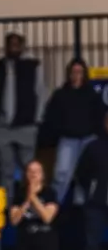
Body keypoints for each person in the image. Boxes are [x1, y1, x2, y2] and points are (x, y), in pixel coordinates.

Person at [0, 33, 47, 185]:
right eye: (10, 44)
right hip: (1, 126)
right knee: (6, 168)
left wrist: (37, 119)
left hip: (26, 124)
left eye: (16, 44)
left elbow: (40, 92)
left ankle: (28, 203)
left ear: (22, 46)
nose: (13, 47)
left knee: (29, 169)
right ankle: (8, 206)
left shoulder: (32, 66)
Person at [40, 58, 102, 206]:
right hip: (67, 139)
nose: (76, 75)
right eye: (73, 72)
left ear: (84, 74)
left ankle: (81, 209)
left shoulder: (92, 94)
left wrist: (95, 135)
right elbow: (51, 117)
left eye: (79, 72)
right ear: (69, 74)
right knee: (61, 175)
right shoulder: (60, 94)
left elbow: (98, 116)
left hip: (88, 139)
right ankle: (53, 208)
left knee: (85, 176)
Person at [75, 110, 108, 250]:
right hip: (96, 204)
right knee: (90, 245)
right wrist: (93, 189)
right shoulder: (94, 146)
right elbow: (81, 173)